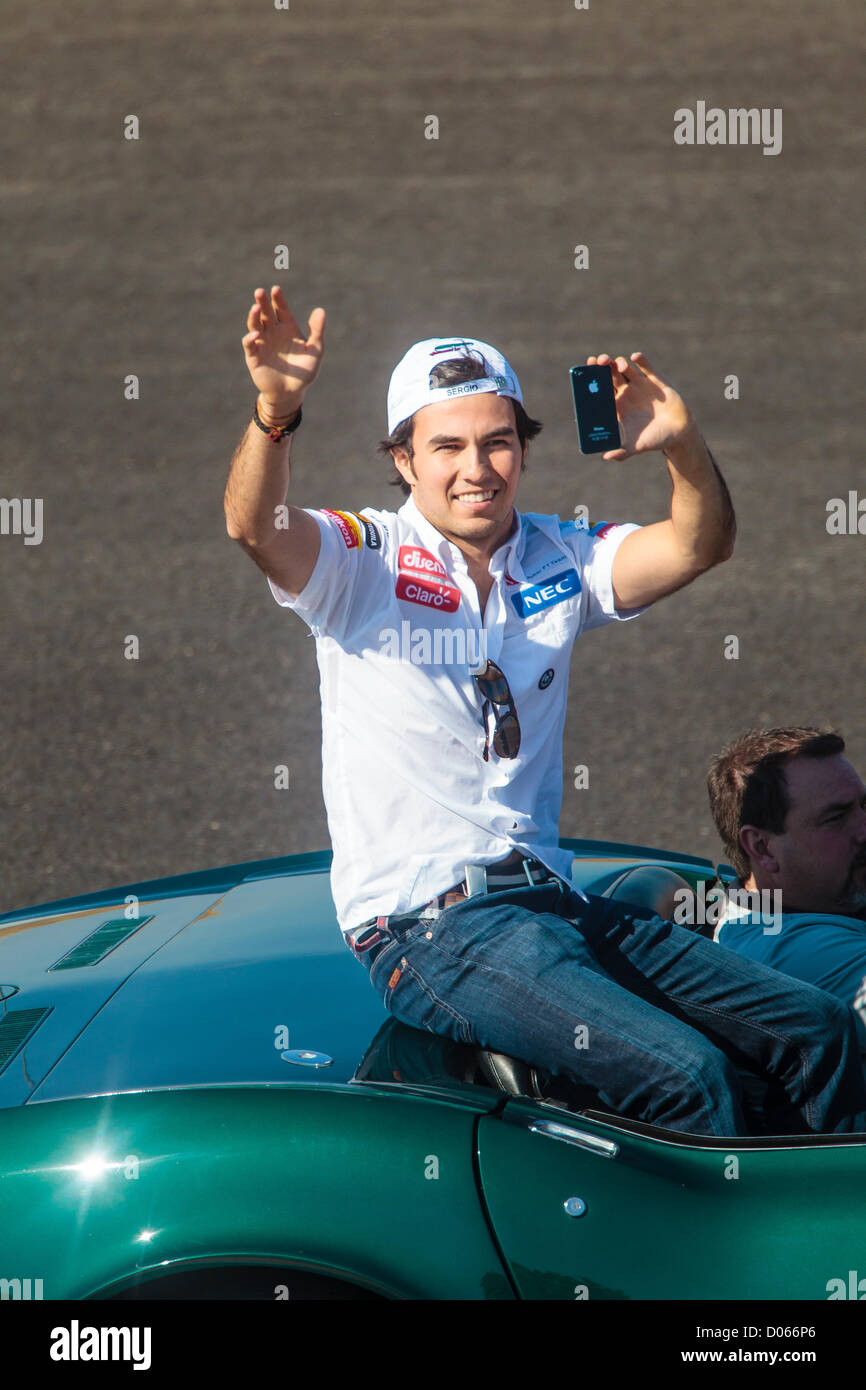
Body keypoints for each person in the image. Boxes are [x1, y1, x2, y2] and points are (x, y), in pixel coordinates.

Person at [223, 284, 866, 1137]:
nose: (476, 468)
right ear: (405, 461)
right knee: (689, 1077)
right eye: (446, 445)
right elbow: (257, 527)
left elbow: (698, 543)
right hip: (430, 931)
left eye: (497, 442)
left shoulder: (557, 556)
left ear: (523, 451)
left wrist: (681, 445)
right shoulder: (362, 561)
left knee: (819, 1032)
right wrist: (275, 413)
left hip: (553, 903)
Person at [707, 726, 866, 1052]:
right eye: (836, 818)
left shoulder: (789, 901)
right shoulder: (804, 953)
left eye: (863, 805)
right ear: (763, 848)